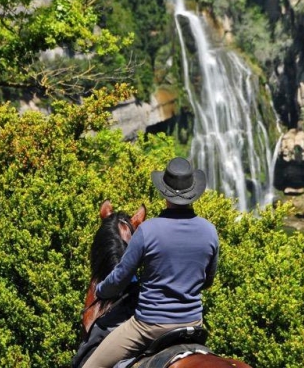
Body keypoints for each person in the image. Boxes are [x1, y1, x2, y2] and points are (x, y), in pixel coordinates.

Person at [82, 157, 219, 368]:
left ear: (164, 193)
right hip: (193, 324)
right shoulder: (210, 231)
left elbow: (120, 278)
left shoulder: (148, 231)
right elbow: (207, 280)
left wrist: (100, 290)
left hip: (148, 326)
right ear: (194, 193)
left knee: (92, 366)